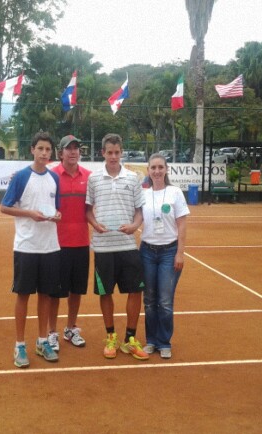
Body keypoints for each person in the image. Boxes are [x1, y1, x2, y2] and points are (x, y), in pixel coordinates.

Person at [1, 132, 62, 368]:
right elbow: (4, 207)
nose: (45, 153)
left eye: (48, 149)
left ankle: (42, 341)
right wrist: (30, 214)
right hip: (26, 246)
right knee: (23, 295)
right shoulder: (21, 177)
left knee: (46, 295)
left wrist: (56, 216)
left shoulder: (54, 179)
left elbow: (57, 210)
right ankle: (19, 346)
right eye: (41, 149)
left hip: (50, 247)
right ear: (32, 150)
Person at [85, 133, 149, 361]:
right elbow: (88, 210)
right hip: (103, 247)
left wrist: (134, 226)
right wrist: (94, 224)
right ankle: (111, 337)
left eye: (117, 152)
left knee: (135, 290)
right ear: (102, 153)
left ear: (121, 153)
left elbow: (140, 211)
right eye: (109, 152)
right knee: (106, 292)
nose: (113, 156)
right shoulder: (93, 179)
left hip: (127, 245)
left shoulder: (133, 178)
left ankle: (130, 339)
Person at [140, 153, 189, 359]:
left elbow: (182, 223)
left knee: (165, 301)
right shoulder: (142, 194)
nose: (157, 171)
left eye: (161, 167)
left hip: (169, 252)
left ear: (166, 169)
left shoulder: (175, 192)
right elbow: (135, 219)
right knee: (150, 300)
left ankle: (164, 341)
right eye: (153, 168)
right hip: (147, 252)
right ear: (148, 171)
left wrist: (180, 252)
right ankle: (151, 340)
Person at [47, 135, 91, 352]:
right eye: (69, 149)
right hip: (56, 245)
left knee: (76, 291)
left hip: (82, 243)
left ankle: (70, 328)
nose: (73, 152)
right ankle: (51, 332)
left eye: (76, 148)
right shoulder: (51, 175)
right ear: (60, 153)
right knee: (55, 293)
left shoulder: (89, 177)